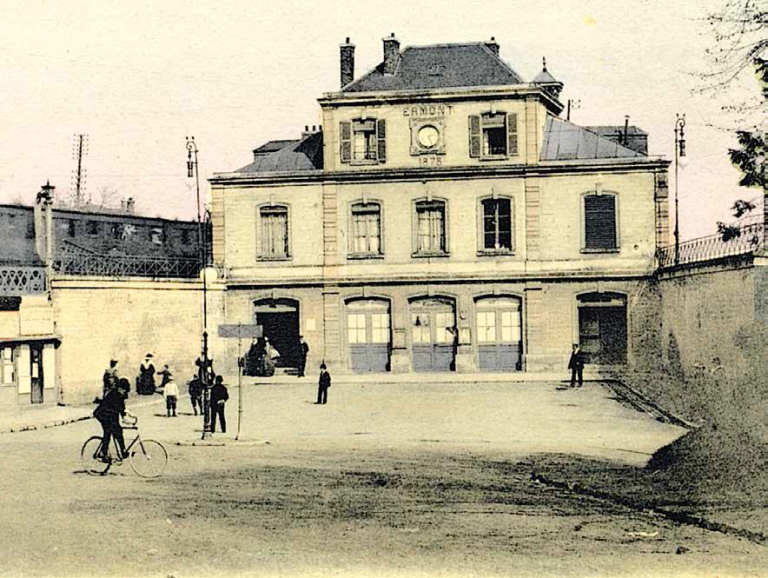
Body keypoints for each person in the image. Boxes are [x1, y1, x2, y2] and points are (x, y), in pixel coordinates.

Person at [93, 378, 134, 459]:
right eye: (124, 390)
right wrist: (124, 412)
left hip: (111, 415)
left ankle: (123, 451)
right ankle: (102, 453)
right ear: (120, 388)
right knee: (108, 431)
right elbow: (117, 408)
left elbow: (122, 409)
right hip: (102, 414)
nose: (125, 392)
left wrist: (127, 417)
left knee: (118, 431)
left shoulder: (121, 395)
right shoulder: (113, 394)